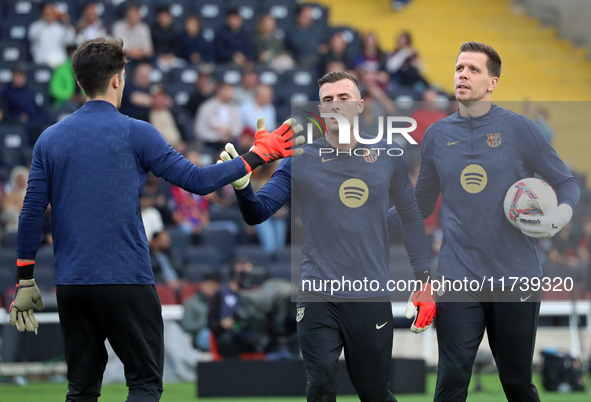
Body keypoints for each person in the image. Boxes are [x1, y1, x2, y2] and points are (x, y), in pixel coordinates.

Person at [8, 37, 303, 402]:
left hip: (73, 285)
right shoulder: (137, 131)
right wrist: (257, 155)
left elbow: (31, 212)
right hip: (126, 278)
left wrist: (24, 279)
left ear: (80, 83)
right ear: (118, 79)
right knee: (145, 385)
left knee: (81, 389)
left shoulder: (48, 140)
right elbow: (197, 181)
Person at [218, 71, 435, 401]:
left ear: (360, 105)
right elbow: (257, 213)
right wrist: (243, 186)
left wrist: (424, 280)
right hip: (318, 292)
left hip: (369, 295)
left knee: (374, 392)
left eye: (343, 98)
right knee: (319, 386)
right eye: (328, 100)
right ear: (320, 110)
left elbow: (410, 217)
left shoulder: (389, 157)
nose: (335, 105)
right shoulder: (299, 161)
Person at [388, 42, 580, 402]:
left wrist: (560, 215)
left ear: (492, 82)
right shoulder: (437, 135)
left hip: (516, 273)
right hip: (459, 274)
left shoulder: (521, 129)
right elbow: (421, 204)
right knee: (452, 377)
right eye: (459, 68)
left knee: (517, 383)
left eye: (473, 69)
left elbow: (566, 183)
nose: (462, 74)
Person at [28, 1, 76, 68]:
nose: (49, 12)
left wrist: (66, 24)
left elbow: (70, 40)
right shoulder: (35, 26)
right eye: (48, 9)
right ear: (42, 11)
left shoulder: (61, 28)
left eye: (51, 9)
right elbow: (32, 37)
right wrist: (46, 22)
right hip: (41, 64)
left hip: (59, 64)